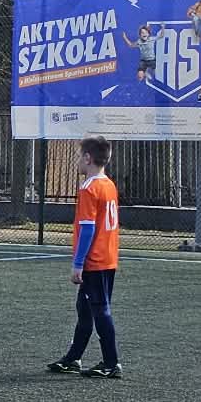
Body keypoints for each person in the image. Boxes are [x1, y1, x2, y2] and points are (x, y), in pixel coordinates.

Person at [48, 135, 123, 379]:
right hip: (108, 257)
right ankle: (73, 358)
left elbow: (88, 228)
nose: (77, 161)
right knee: (85, 308)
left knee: (100, 310)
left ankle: (111, 363)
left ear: (88, 158)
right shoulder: (108, 184)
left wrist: (78, 263)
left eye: (79, 156)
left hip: (95, 260)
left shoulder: (89, 187)